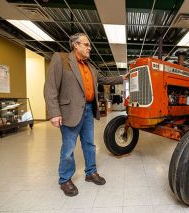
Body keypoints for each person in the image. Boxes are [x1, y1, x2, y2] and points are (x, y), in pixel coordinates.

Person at [44, 33, 128, 197]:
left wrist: (122, 78)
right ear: (76, 45)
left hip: (89, 110)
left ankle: (90, 172)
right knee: (68, 148)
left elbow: (103, 80)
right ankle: (65, 179)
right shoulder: (61, 59)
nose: (90, 48)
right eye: (86, 45)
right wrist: (54, 112)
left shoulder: (90, 66)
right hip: (70, 111)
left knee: (89, 144)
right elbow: (50, 87)